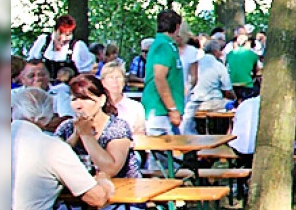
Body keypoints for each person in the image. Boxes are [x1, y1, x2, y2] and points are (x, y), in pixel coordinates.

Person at [51, 75, 145, 210]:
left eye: (86, 99)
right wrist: (76, 135)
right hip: (76, 202)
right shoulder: (67, 127)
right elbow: (52, 160)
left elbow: (110, 167)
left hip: (120, 202)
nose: (79, 105)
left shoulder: (117, 127)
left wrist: (86, 137)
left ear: (101, 100)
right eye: (75, 99)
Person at [143, 9, 187, 138]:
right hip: (159, 112)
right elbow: (159, 77)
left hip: (164, 112)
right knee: (166, 155)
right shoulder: (163, 46)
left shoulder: (167, 45)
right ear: (177, 27)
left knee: (172, 155)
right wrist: (172, 109)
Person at [183, 40, 234, 133]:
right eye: (220, 50)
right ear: (215, 51)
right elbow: (228, 89)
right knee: (232, 106)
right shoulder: (218, 65)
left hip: (193, 102)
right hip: (212, 102)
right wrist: (235, 98)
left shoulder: (195, 63)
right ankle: (224, 135)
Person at [27, 14, 94, 75]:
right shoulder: (43, 41)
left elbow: (86, 73)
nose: (63, 38)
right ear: (55, 30)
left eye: (67, 35)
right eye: (60, 34)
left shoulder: (78, 46)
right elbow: (31, 64)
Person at [19, 60, 70, 131]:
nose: (38, 79)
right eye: (31, 76)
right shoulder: (12, 96)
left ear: (49, 76)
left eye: (42, 75)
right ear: (22, 79)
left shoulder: (60, 95)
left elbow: (65, 121)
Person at [100, 61, 146, 137]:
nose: (115, 81)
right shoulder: (97, 106)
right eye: (111, 77)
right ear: (103, 82)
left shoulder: (136, 107)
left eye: (118, 77)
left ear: (124, 81)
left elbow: (139, 135)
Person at [225, 33, 261, 100]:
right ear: (247, 43)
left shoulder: (229, 54)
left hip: (231, 85)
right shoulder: (252, 54)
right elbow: (258, 72)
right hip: (247, 86)